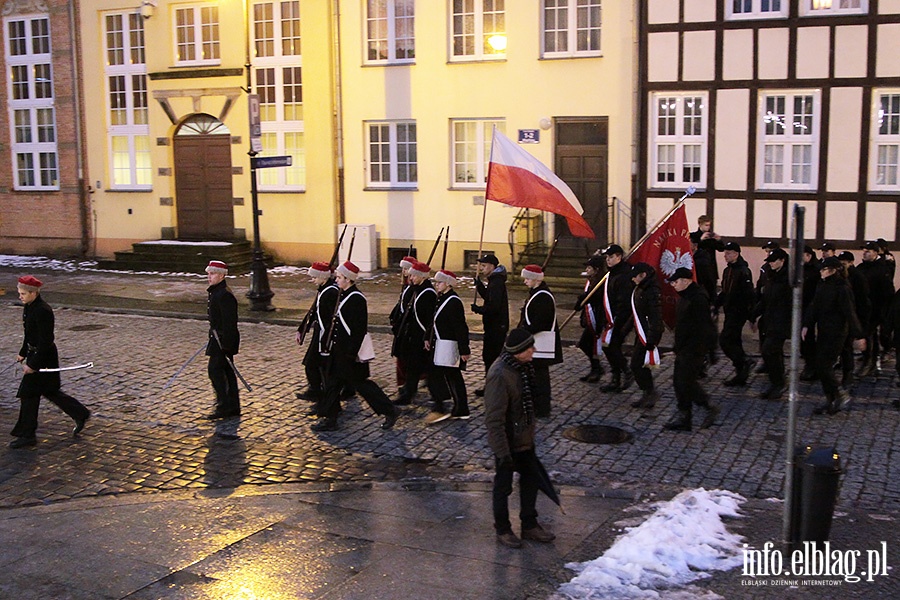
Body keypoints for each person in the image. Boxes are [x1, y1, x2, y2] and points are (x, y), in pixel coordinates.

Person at [484, 328, 557, 549]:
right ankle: (503, 528)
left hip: (524, 438)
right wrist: (503, 452)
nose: (534, 350)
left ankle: (529, 524)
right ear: (517, 351)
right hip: (507, 441)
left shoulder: (523, 368)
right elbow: (494, 419)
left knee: (530, 481)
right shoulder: (499, 374)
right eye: (529, 347)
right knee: (503, 486)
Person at [312, 261, 399, 432]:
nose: (336, 280)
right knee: (332, 383)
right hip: (338, 350)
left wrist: (350, 354)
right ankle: (330, 418)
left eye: (339, 277)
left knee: (362, 385)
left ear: (348, 279)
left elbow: (358, 329)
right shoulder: (343, 294)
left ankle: (390, 410)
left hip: (348, 353)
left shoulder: (356, 299)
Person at [9, 276, 91, 448]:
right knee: (50, 391)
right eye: (19, 293)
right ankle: (80, 413)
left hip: (44, 357)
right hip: (35, 354)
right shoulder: (29, 307)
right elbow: (30, 333)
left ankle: (27, 435)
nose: (20, 296)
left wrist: (33, 365)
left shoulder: (43, 310)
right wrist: (23, 352)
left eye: (23, 293)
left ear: (33, 293)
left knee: (28, 394)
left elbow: (46, 340)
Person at [802, 257, 865, 416]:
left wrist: (859, 335)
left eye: (824, 269)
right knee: (820, 365)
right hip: (823, 330)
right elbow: (814, 306)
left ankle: (839, 394)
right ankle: (831, 399)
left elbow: (850, 312)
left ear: (833, 270)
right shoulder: (822, 285)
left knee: (824, 365)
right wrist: (807, 324)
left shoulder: (842, 288)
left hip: (837, 333)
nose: (821, 272)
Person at [663, 268, 720, 432]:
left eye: (676, 281)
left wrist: (710, 350)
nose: (673, 285)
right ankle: (685, 418)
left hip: (694, 348)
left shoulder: (697, 299)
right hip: (684, 348)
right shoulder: (685, 296)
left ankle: (707, 407)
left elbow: (706, 326)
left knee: (685, 382)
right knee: (679, 383)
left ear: (686, 281)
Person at [424, 269, 471, 424]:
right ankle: (442, 405)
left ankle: (461, 408)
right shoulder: (442, 298)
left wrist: (464, 349)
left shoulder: (453, 301)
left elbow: (460, 327)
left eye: (440, 282)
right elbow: (433, 321)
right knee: (438, 375)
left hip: (449, 344)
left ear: (448, 284)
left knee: (453, 377)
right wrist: (427, 337)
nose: (436, 285)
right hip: (439, 343)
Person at [392, 260, 437, 405]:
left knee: (422, 367)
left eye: (413, 276)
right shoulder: (416, 289)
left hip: (421, 336)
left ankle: (438, 397)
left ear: (422, 277)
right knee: (414, 366)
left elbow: (427, 318)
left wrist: (426, 337)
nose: (410, 278)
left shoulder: (427, 293)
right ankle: (409, 392)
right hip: (412, 336)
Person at [750, 248, 791, 401]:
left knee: (769, 350)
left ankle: (779, 382)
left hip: (781, 322)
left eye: (773, 261)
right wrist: (754, 315)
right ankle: (777, 382)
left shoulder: (788, 279)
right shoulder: (772, 276)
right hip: (770, 320)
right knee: (770, 352)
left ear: (782, 261)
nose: (771, 263)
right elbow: (766, 299)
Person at [296, 262, 338, 404]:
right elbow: (313, 311)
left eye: (315, 277)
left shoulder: (330, 292)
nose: (312, 280)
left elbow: (328, 317)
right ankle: (316, 391)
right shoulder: (323, 289)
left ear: (323, 277)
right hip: (319, 332)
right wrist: (303, 328)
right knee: (312, 364)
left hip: (324, 334)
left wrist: (326, 339)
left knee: (314, 365)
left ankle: (319, 394)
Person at [716, 242, 756, 386]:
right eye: (725, 253)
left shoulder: (743, 271)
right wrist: (716, 304)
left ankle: (743, 361)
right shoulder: (728, 271)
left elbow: (749, 294)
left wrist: (752, 315)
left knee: (725, 340)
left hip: (738, 312)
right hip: (729, 311)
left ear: (736, 254)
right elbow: (725, 291)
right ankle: (741, 373)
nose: (725, 256)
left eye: (728, 253)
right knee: (734, 341)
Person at [205, 260, 241, 420]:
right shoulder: (216, 291)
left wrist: (226, 345)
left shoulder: (224, 295)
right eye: (208, 273)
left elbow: (229, 323)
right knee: (225, 371)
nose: (209, 276)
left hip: (223, 341)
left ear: (221, 275)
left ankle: (224, 405)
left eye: (212, 274)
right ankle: (231, 406)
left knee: (216, 371)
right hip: (218, 339)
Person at [598, 244, 634, 393]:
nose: (608, 260)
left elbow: (624, 302)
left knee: (612, 346)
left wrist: (617, 322)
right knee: (608, 346)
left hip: (621, 319)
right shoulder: (611, 274)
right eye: (607, 257)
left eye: (611, 257)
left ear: (619, 257)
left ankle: (626, 372)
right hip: (610, 317)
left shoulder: (624, 275)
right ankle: (616, 378)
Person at [471, 254, 509, 397]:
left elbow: (493, 307)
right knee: (489, 357)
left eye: (484, 266)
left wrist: (479, 310)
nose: (482, 269)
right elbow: (489, 296)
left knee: (491, 357)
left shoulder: (497, 282)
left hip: (496, 326)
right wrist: (480, 286)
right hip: (494, 326)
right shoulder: (494, 280)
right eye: (481, 266)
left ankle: (494, 387)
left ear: (492, 267)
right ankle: (491, 386)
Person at [856, 241, 894, 377]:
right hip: (862, 308)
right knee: (865, 335)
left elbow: (888, 292)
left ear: (876, 253)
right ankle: (868, 359)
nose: (865, 253)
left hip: (875, 309)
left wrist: (882, 311)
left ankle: (869, 362)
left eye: (868, 251)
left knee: (869, 335)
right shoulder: (861, 267)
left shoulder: (882, 269)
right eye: (864, 250)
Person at [628, 262, 663, 409]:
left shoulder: (651, 291)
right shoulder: (640, 288)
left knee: (636, 364)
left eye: (635, 276)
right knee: (640, 365)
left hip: (648, 334)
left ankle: (650, 392)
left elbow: (655, 317)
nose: (633, 279)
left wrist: (652, 339)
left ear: (643, 275)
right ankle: (648, 392)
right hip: (642, 332)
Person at [838, 251, 871, 388]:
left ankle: (848, 374)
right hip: (841, 318)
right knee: (844, 347)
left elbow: (863, 301)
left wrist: (861, 324)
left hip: (853, 316)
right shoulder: (841, 276)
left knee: (847, 347)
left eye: (844, 263)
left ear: (851, 263)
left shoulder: (857, 277)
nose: (842, 266)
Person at [574, 254, 606, 383]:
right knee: (586, 344)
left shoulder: (601, 281)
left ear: (596, 269)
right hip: (590, 316)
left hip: (597, 317)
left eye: (589, 267)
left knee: (587, 344)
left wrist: (582, 299)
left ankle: (597, 369)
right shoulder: (592, 280)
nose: (587, 270)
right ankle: (596, 368)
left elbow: (594, 297)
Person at [389, 255, 418, 393]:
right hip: (401, 326)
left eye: (407, 269)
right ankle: (403, 382)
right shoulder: (406, 286)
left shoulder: (413, 287)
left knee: (405, 358)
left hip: (407, 329)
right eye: (404, 269)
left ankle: (407, 383)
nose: (404, 271)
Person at [799, 245, 821, 381]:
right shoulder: (801, 269)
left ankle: (812, 366)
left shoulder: (816, 269)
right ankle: (809, 363)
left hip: (812, 307)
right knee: (804, 337)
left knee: (809, 337)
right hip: (802, 306)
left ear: (808, 255)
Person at [690, 215, 724, 301]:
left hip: (710, 268)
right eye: (706, 225)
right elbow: (691, 248)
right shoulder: (693, 236)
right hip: (698, 267)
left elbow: (721, 249)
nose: (708, 227)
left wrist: (719, 240)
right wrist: (701, 239)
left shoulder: (710, 237)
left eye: (709, 225)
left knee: (711, 292)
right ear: (700, 225)